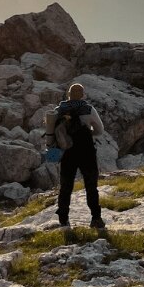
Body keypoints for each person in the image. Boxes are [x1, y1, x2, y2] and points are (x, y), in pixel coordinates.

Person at [55, 83, 106, 229]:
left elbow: (53, 132)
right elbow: (100, 130)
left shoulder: (59, 109)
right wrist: (89, 131)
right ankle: (96, 218)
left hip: (67, 152)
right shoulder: (88, 109)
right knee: (91, 186)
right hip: (86, 151)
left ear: (69, 95)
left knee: (65, 186)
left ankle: (63, 219)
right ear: (82, 95)